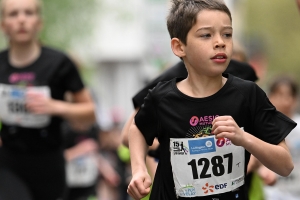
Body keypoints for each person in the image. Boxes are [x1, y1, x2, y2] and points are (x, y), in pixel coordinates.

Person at [126, 1, 296, 200]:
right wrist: (139, 169)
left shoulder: (248, 95)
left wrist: (244, 139)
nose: (220, 42)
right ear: (179, 46)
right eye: (206, 35)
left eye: (227, 34)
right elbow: (136, 129)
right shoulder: (162, 98)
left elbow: (285, 165)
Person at [0, 0, 95, 199]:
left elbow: (90, 113)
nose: (22, 20)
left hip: (49, 163)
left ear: (39, 22)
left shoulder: (59, 63)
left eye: (28, 13)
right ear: (3, 24)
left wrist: (56, 107)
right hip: (9, 162)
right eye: (13, 14)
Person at [263, 76, 300, 200]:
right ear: (270, 96)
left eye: (289, 95)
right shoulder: (263, 126)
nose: (285, 100)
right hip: (271, 192)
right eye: (279, 95)